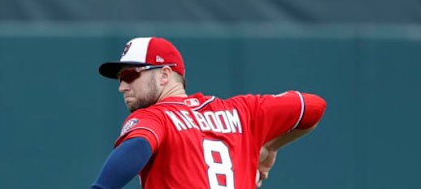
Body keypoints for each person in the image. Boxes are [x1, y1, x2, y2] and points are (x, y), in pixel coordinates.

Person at [91, 36, 326, 189]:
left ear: (164, 75)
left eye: (131, 75)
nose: (122, 86)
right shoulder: (242, 112)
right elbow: (313, 107)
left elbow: (138, 146)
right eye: (120, 79)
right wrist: (269, 146)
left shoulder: (155, 117)